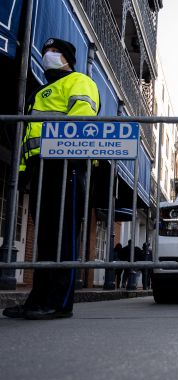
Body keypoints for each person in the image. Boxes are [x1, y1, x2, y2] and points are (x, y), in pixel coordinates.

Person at [2, 38, 100, 320]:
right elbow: (29, 139)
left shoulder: (79, 81)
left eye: (55, 52)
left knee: (61, 238)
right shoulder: (43, 91)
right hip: (41, 171)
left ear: (68, 58)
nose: (48, 55)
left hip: (65, 167)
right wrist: (22, 173)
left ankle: (59, 302)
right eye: (46, 51)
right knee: (46, 239)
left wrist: (61, 155)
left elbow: (81, 123)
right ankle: (38, 299)